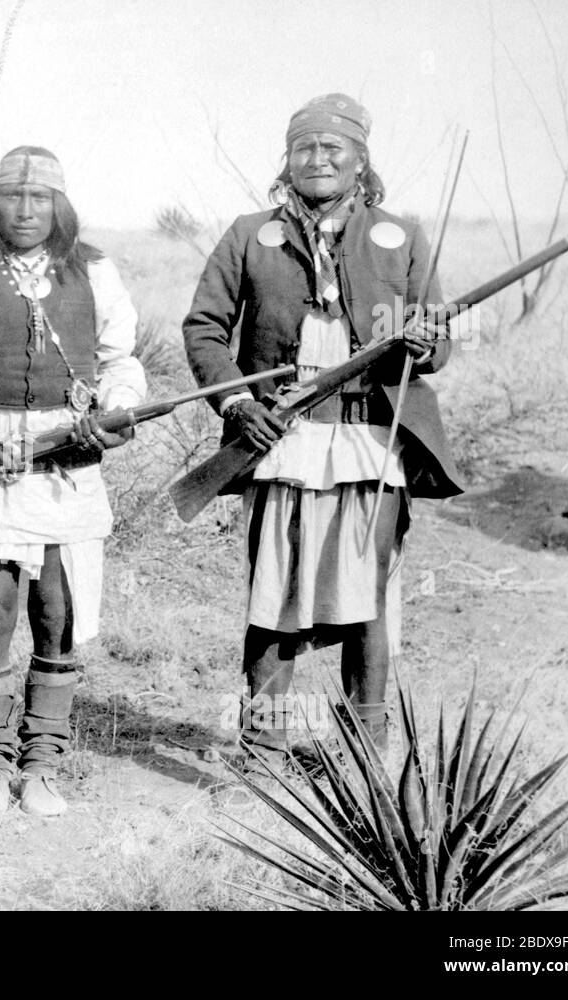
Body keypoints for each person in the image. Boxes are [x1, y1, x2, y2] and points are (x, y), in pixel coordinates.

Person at [182, 94, 463, 766]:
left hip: (370, 442)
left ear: (360, 161)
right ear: (288, 160)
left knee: (367, 599)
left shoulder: (403, 235)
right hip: (281, 442)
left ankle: (366, 755)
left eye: (334, 148)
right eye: (305, 147)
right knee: (272, 597)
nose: (319, 159)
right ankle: (263, 749)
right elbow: (204, 329)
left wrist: (424, 343)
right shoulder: (250, 234)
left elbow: (440, 337)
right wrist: (237, 404)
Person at [0, 146, 146, 818]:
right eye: (12, 196)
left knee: (58, 615)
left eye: (39, 198)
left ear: (59, 205)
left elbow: (120, 358)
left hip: (67, 462)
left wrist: (115, 410)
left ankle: (42, 765)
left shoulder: (94, 271)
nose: (25, 210)